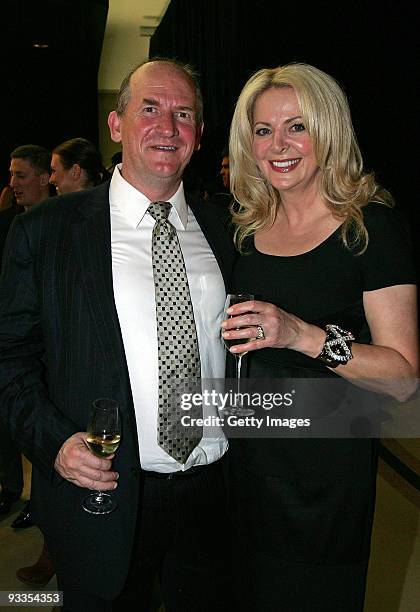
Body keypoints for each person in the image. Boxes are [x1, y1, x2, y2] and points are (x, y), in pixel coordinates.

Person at [0, 58, 235, 611]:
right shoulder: (46, 230)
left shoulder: (226, 229)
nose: (167, 125)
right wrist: (55, 442)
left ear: (198, 136)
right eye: (149, 108)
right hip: (103, 494)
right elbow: (9, 358)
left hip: (215, 493)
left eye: (184, 114)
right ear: (116, 124)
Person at [221, 63, 418, 611]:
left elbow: (403, 378)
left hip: (323, 484)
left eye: (297, 127)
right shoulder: (243, 230)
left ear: (329, 131)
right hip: (244, 471)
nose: (278, 145)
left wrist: (301, 335)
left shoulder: (369, 228)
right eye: (263, 130)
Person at [0, 144, 51, 527]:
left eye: (21, 175)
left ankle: (41, 503)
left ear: (45, 177)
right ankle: (12, 489)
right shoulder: (10, 224)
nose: (13, 183)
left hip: (45, 347)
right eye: (11, 175)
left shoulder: (65, 224)